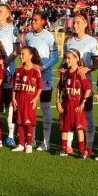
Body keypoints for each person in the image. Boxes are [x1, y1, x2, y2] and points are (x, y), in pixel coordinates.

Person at [65, 13, 98, 154]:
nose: (75, 25)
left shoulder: (92, 41)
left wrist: (88, 68)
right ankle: (68, 145)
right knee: (70, 113)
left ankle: (89, 146)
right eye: (74, 23)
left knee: (87, 113)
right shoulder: (68, 41)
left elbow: (96, 63)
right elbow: (65, 60)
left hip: (85, 83)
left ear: (86, 24)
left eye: (78, 22)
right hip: (70, 84)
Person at [0, 5, 22, 145]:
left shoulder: (13, 29)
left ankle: (11, 135)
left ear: (7, 14)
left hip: (8, 72)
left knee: (8, 104)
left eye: (1, 11)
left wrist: (5, 62)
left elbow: (16, 50)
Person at [25, 11, 60, 149]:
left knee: (45, 109)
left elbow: (56, 58)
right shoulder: (28, 37)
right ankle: (31, 140)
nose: (33, 22)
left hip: (45, 77)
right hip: (30, 79)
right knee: (31, 109)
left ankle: (46, 142)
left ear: (43, 21)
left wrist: (43, 67)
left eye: (36, 20)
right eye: (32, 20)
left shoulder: (50, 37)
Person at [57, 49, 91, 157]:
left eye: (69, 58)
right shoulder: (64, 74)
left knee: (79, 128)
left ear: (76, 59)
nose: (67, 60)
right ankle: (63, 149)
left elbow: (88, 89)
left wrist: (82, 104)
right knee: (65, 128)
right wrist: (58, 102)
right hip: (66, 104)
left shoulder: (80, 73)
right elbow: (59, 87)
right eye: (66, 58)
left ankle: (81, 151)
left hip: (77, 105)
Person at [11, 46, 43, 154]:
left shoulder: (36, 70)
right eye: (20, 54)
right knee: (19, 122)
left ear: (30, 56)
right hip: (19, 99)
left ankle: (29, 144)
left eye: (23, 54)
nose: (21, 56)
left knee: (29, 123)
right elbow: (14, 86)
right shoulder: (18, 69)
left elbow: (40, 87)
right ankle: (20, 144)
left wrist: (35, 98)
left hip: (30, 100)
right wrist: (13, 98)